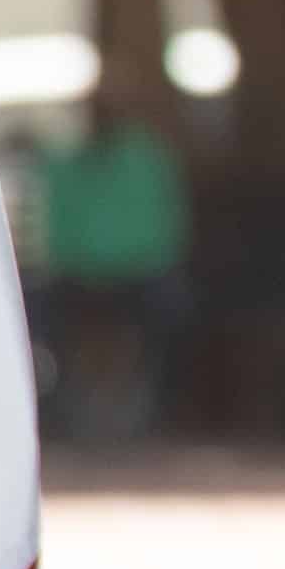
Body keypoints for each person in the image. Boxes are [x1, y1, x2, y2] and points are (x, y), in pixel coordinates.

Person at [28, 100, 191, 440]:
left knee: (174, 309)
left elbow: (165, 234)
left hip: (137, 276)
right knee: (28, 312)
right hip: (79, 277)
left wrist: (121, 267)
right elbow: (57, 237)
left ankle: (161, 404)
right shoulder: (65, 165)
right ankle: (53, 402)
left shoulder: (146, 161)